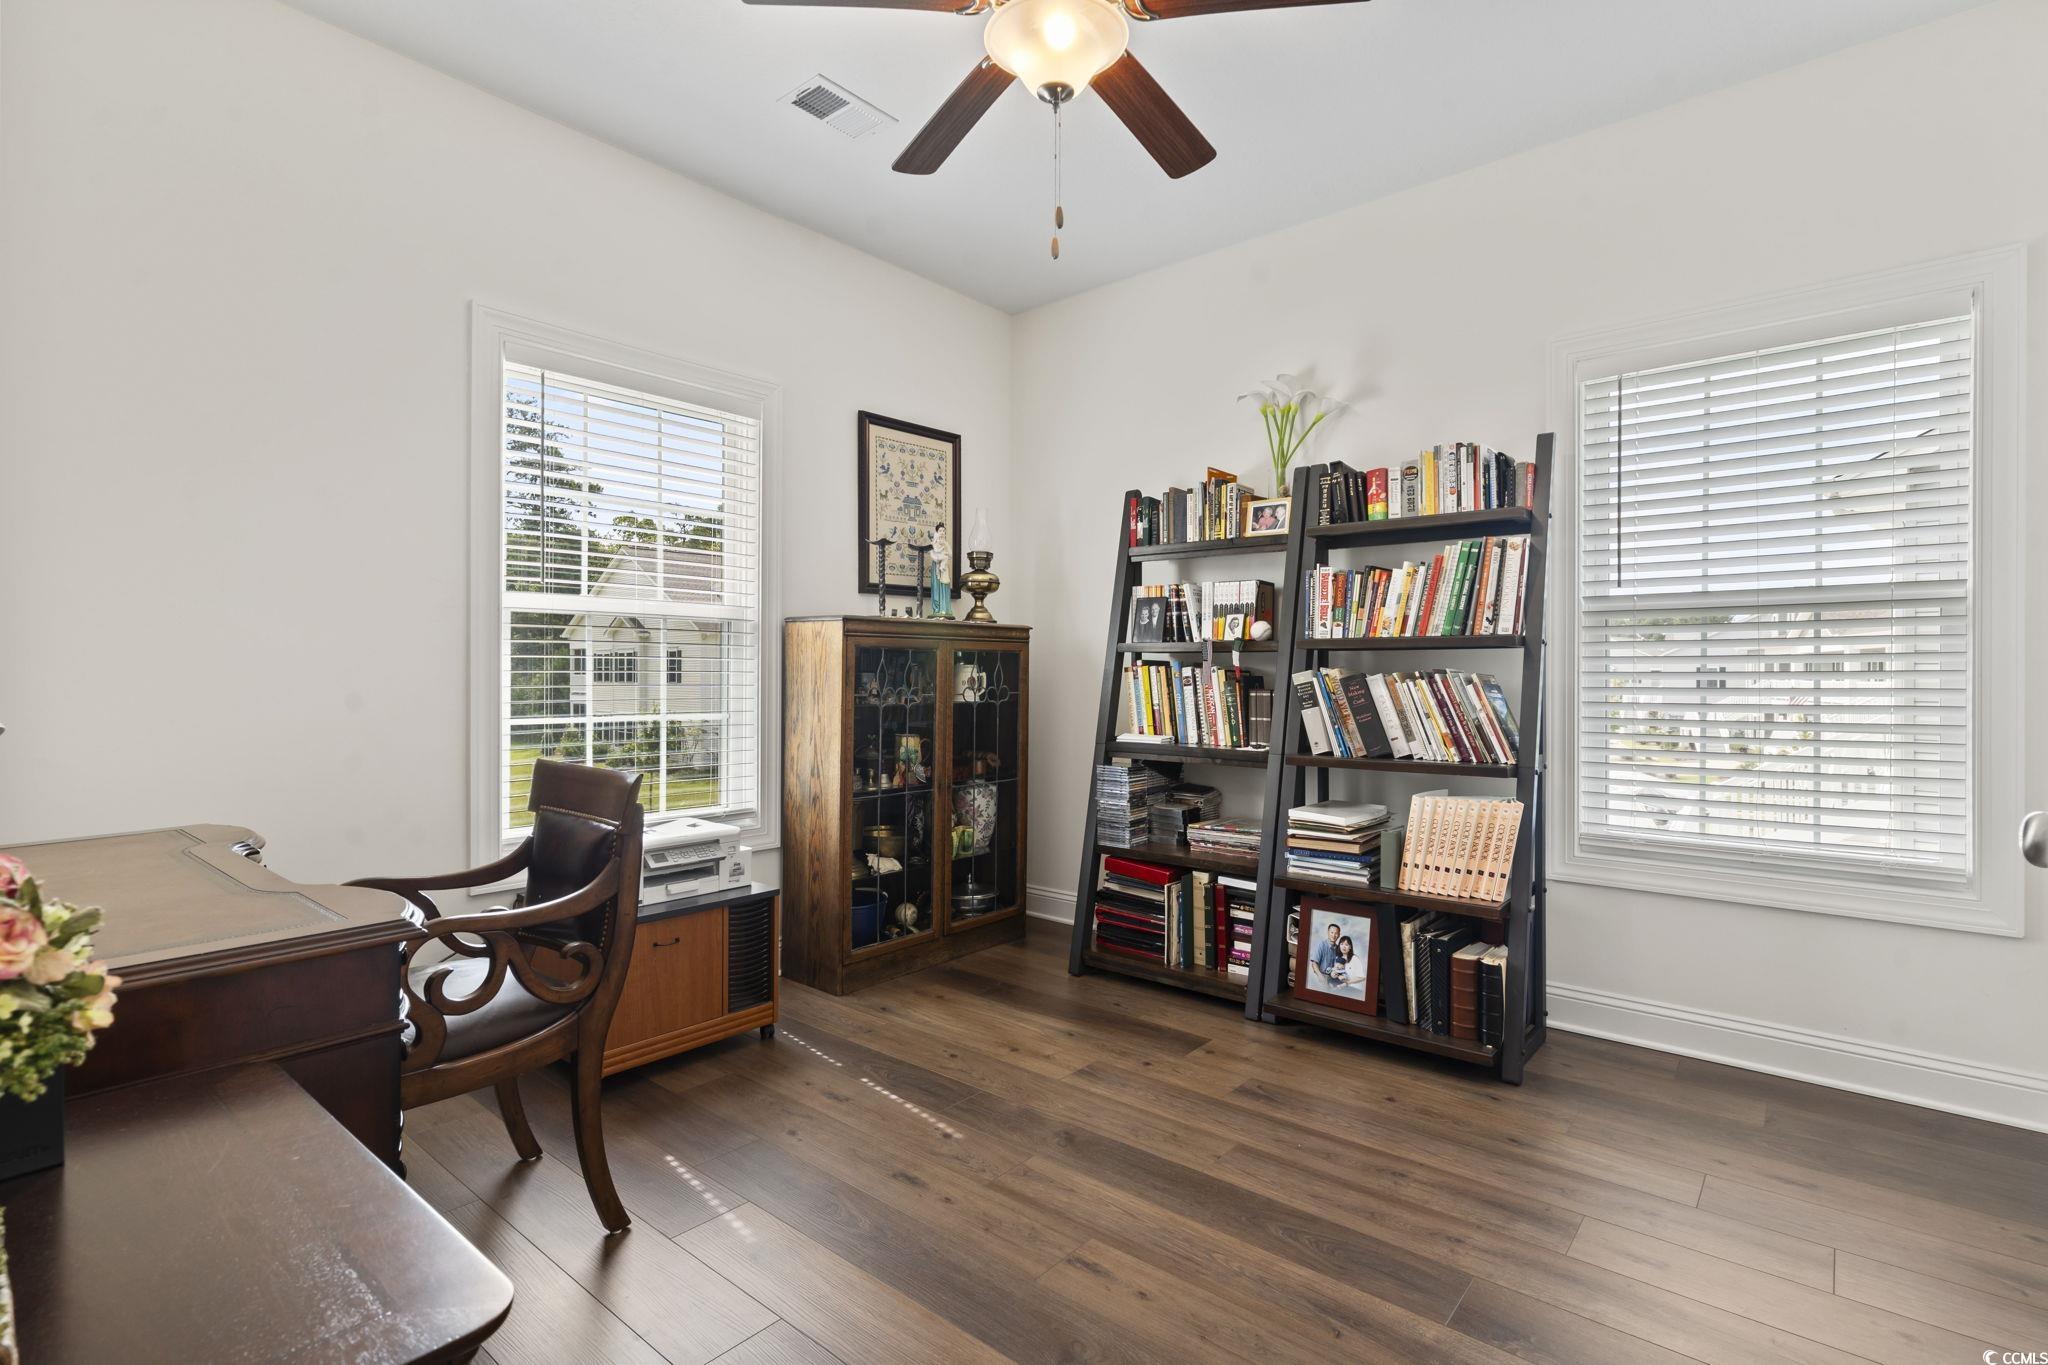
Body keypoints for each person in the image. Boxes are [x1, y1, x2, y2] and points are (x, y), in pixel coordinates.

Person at [1308, 920, 1341, 986]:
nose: (1334, 935)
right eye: (1332, 932)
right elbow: (1314, 963)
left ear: (1339, 935)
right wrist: (1320, 976)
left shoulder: (1338, 949)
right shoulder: (1321, 945)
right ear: (1328, 932)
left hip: (1333, 976)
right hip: (1322, 976)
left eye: (1336, 933)